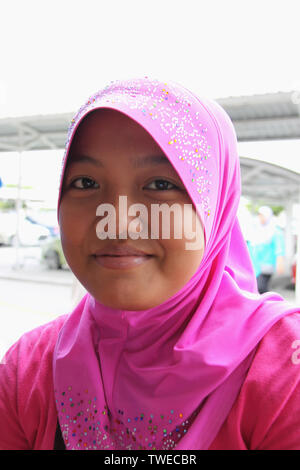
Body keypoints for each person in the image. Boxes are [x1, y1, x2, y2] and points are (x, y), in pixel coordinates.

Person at [0, 78, 300, 451]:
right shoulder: (26, 373)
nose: (119, 222)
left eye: (159, 185)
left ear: (215, 207)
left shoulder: (286, 371)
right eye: (86, 182)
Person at [248, 206, 285, 294]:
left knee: (261, 288)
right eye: (259, 215)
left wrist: (280, 263)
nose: (260, 218)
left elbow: (279, 249)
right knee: (256, 289)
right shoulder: (257, 230)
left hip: (266, 267)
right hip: (255, 266)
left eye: (262, 215)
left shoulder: (275, 231)